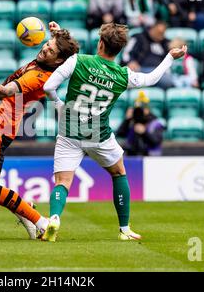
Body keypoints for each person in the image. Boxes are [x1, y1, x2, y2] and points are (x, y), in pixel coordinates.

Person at [42, 22, 186, 242]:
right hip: (98, 135)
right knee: (118, 172)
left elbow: (48, 87)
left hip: (69, 130)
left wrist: (59, 105)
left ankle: (54, 218)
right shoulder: (123, 75)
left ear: (100, 43)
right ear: (119, 50)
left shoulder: (78, 61)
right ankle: (124, 229)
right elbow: (151, 78)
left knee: (62, 182)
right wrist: (169, 57)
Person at [0, 22, 80, 240]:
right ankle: (25, 210)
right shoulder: (49, 60)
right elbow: (71, 56)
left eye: (51, 50)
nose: (44, 49)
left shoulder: (40, 77)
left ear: (57, 61)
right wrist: (57, 33)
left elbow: (5, 91)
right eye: (47, 44)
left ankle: (39, 221)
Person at [121, 21, 173, 89]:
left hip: (158, 72)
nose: (161, 36)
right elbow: (126, 53)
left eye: (162, 33)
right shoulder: (139, 37)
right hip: (140, 70)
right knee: (167, 80)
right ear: (152, 29)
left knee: (168, 81)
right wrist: (130, 62)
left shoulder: (165, 43)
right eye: (159, 32)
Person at [116, 91, 164, 156]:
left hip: (150, 158)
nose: (139, 112)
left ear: (147, 109)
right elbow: (120, 134)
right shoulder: (132, 122)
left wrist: (144, 132)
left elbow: (156, 142)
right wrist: (126, 120)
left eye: (142, 109)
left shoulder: (155, 123)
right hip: (132, 156)